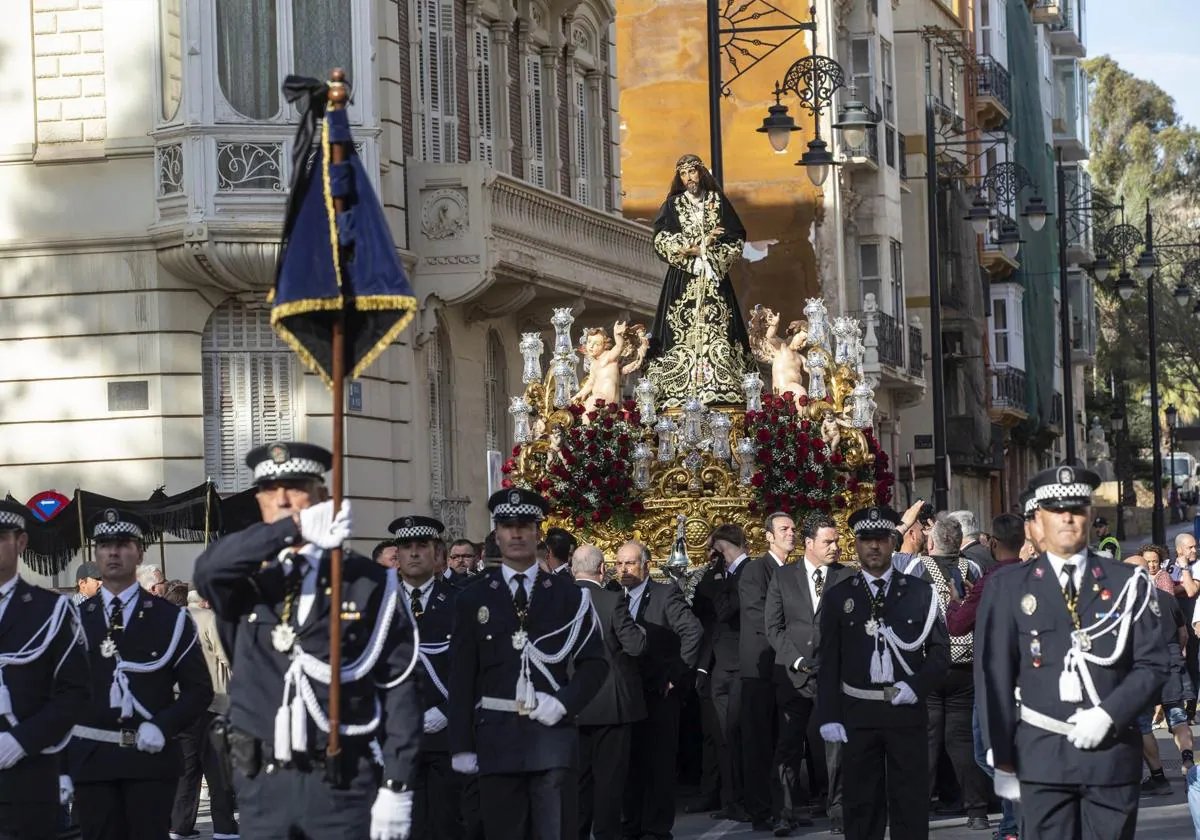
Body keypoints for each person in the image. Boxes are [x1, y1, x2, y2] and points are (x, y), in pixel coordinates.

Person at [193, 441, 421, 840]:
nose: (281, 500)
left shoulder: (367, 581)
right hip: (261, 779)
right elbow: (208, 569)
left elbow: (397, 686)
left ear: (323, 498)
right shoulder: (247, 579)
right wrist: (291, 530)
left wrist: (397, 782)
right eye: (269, 492)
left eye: (295, 488)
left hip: (341, 778)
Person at [976, 464, 1168, 840]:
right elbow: (994, 676)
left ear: (1091, 515)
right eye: (1056, 510)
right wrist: (1003, 757)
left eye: (1077, 509)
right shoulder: (1009, 587)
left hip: (1110, 756)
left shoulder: (1128, 582)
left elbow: (1154, 664)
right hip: (1041, 755)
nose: (1067, 517)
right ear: (1038, 521)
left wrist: (1109, 714)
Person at [447, 488, 607, 840]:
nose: (516, 533)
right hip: (496, 740)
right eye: (506, 526)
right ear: (496, 534)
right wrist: (461, 744)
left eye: (524, 525)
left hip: (552, 740)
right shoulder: (473, 597)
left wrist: (564, 702)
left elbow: (595, 663)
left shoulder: (567, 595)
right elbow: (461, 676)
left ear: (538, 532)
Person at [67, 508, 213, 840]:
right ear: (95, 554)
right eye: (104, 545)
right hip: (92, 762)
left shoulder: (170, 619)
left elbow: (198, 691)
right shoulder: (74, 620)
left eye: (123, 544)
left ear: (140, 552)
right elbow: (60, 693)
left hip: (149, 760)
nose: (113, 552)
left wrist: (163, 726)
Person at [817, 505, 950, 840]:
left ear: (893, 542)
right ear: (856, 544)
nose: (873, 547)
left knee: (910, 802)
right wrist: (829, 715)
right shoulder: (838, 597)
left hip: (905, 713)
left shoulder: (920, 592)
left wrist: (917, 687)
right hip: (858, 714)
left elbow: (939, 653)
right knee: (862, 804)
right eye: (866, 540)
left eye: (880, 539)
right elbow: (829, 661)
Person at [0, 500, 90, 840]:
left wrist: (22, 741)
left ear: (20, 543)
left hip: (30, 778)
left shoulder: (49, 611)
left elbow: (75, 692)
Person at [645, 153, 755, 405]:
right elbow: (661, 238)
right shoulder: (673, 206)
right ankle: (675, 387)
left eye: (692, 172)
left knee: (721, 328)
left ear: (701, 173)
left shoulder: (718, 202)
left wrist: (710, 252)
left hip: (714, 277)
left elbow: (736, 237)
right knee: (677, 329)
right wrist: (691, 249)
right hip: (683, 278)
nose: (688, 178)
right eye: (683, 174)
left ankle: (721, 386)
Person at [765, 513, 850, 835]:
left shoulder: (846, 577)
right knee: (787, 746)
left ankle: (838, 809)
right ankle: (784, 813)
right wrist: (797, 660)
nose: (835, 547)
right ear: (809, 543)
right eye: (828, 541)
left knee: (836, 748)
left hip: (833, 677)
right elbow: (773, 627)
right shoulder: (784, 577)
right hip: (793, 677)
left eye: (837, 540)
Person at [904, 515, 988, 829]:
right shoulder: (973, 568)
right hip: (964, 665)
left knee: (927, 739)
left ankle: (918, 809)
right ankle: (977, 810)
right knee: (961, 739)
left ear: (931, 542)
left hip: (929, 662)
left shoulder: (916, 568)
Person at [616, 539, 702, 840]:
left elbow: (693, 631)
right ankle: (631, 823)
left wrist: (675, 677)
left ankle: (656, 828)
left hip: (660, 694)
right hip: (627, 693)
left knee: (659, 764)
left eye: (630, 563)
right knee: (629, 763)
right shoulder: (614, 596)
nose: (624, 570)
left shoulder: (666, 594)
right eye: (619, 564)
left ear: (646, 565)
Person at [947, 513, 1027, 840]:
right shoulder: (1030, 575)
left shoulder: (992, 579)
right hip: (1024, 679)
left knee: (985, 751)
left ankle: (1018, 816)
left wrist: (957, 602)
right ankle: (1013, 821)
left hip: (992, 680)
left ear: (992, 542)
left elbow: (957, 625)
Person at [390, 514, 463, 840]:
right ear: (398, 556)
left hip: (445, 736)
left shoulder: (461, 602)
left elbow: (471, 668)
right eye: (407, 547)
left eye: (423, 546)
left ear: (437, 554)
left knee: (446, 824)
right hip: (397, 735)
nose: (415, 553)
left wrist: (446, 711)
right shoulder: (380, 604)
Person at [571, 544, 647, 840]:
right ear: (602, 569)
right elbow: (635, 646)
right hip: (610, 705)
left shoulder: (555, 601)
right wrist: (642, 631)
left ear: (573, 568)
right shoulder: (613, 600)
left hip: (571, 703)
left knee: (577, 783)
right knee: (610, 784)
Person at [738, 512, 796, 833]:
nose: (791, 533)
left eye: (792, 529)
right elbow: (761, 616)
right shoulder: (755, 570)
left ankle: (784, 807)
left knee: (785, 741)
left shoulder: (793, 570)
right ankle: (761, 809)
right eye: (783, 529)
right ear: (769, 536)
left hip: (786, 668)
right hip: (761, 668)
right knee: (759, 742)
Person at [691, 523, 751, 820]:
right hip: (718, 664)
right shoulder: (720, 574)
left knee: (738, 733)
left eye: (712, 547)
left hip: (741, 664)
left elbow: (727, 609)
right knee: (721, 735)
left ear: (721, 546)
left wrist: (716, 578)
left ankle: (744, 798)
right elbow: (702, 609)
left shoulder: (748, 572)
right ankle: (729, 799)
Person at [1124, 549, 1193, 796]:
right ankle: (1188, 766)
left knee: (1143, 725)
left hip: (1141, 671)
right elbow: (1183, 633)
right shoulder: (1166, 598)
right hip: (1171, 664)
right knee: (1178, 719)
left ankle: (1158, 778)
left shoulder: (1123, 606)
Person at [171, 591, 238, 840]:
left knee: (186, 769)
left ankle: (180, 825)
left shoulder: (175, 617)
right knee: (217, 768)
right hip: (214, 702)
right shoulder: (209, 618)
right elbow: (229, 657)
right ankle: (224, 826)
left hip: (180, 703)